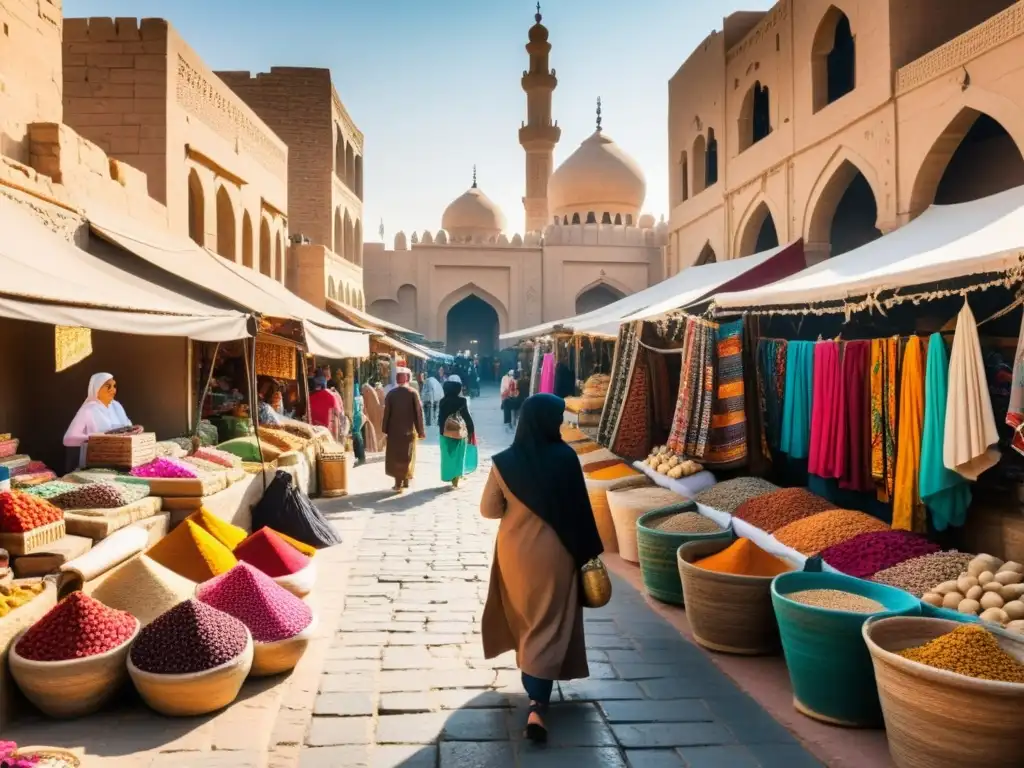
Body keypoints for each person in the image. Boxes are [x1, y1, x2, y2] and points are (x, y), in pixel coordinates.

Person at [480, 394, 604, 743]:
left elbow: (489, 510)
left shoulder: (504, 462)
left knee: (526, 618)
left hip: (515, 554)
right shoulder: (566, 458)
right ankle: (537, 703)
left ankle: (534, 692)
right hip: (558, 555)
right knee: (549, 622)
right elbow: (581, 509)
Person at [64, 373, 133, 470]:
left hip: (121, 460)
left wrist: (135, 429)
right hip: (96, 463)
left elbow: (128, 427)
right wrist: (99, 438)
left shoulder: (117, 406)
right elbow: (68, 439)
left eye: (114, 386)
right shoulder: (88, 409)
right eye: (108, 386)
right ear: (97, 388)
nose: (112, 390)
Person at [382, 367, 426, 492]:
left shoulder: (391, 394)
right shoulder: (413, 393)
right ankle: (405, 480)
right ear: (408, 379)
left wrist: (385, 429)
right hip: (408, 431)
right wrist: (420, 431)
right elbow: (418, 413)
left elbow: (386, 413)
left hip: (394, 432)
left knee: (395, 457)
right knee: (407, 456)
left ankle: (398, 483)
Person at [438, 375, 476, 488]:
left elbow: (440, 418)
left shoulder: (442, 402)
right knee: (459, 455)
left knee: (447, 456)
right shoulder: (461, 401)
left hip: (444, 433)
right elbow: (466, 416)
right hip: (459, 433)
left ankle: (448, 475)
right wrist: (471, 430)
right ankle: (456, 478)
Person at [308, 376, 341, 440]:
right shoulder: (332, 397)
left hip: (314, 433)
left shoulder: (310, 398)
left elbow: (307, 415)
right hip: (327, 434)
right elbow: (337, 416)